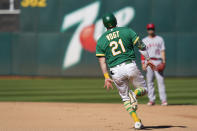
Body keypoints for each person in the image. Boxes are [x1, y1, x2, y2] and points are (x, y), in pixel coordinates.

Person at [96, 13, 155, 129]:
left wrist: (106, 76)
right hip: (129, 66)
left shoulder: (101, 40)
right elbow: (141, 46)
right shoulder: (126, 31)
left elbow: (102, 61)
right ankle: (134, 94)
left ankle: (137, 121)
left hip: (114, 71)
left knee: (125, 98)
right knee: (144, 90)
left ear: (104, 25)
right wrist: (148, 59)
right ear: (116, 21)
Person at [141, 23, 167, 106]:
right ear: (147, 30)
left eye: (151, 29)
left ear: (154, 29)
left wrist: (163, 61)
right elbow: (142, 52)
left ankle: (163, 100)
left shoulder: (159, 39)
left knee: (160, 81)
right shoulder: (144, 40)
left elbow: (162, 51)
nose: (150, 30)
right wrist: (143, 63)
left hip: (158, 61)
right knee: (149, 81)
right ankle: (151, 100)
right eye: (149, 29)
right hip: (149, 61)